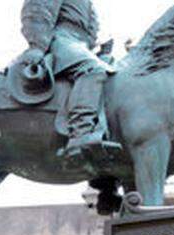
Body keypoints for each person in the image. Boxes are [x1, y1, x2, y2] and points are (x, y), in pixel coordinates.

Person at [19, 0, 119, 158]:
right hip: (60, 40)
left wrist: (98, 47)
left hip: (81, 46)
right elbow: (38, 11)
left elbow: (91, 30)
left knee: (112, 70)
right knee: (92, 69)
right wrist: (37, 46)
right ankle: (80, 134)